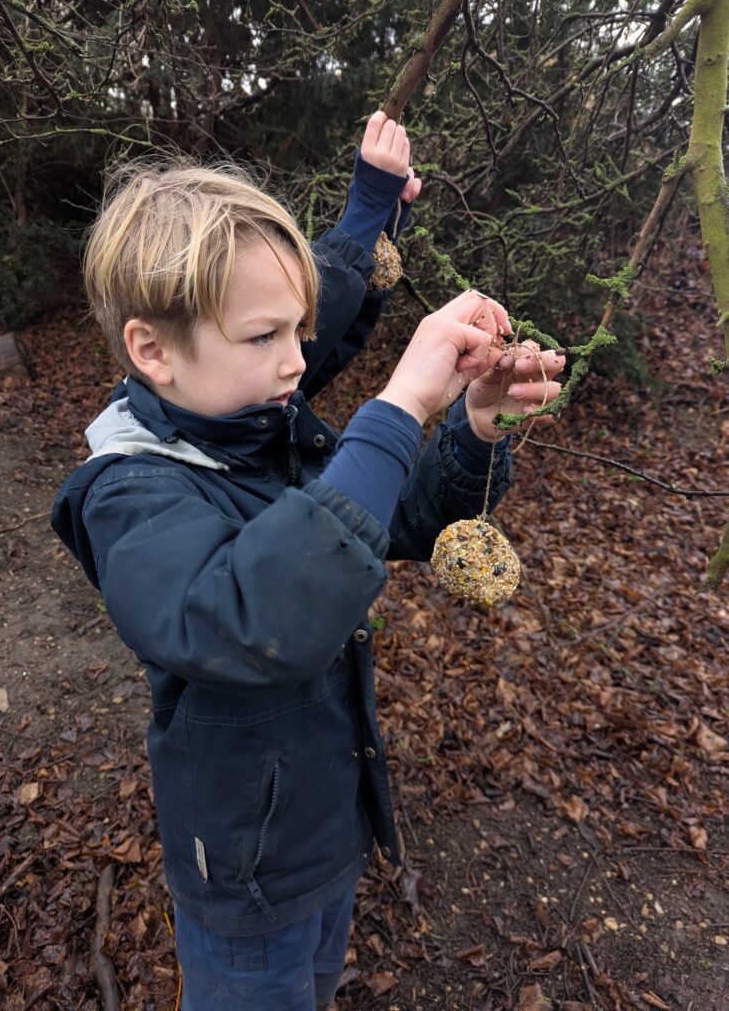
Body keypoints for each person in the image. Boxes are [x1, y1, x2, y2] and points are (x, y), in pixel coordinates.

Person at [52, 111, 564, 1011]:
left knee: (316, 983)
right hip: (241, 881)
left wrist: (473, 428)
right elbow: (256, 619)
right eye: (263, 339)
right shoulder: (125, 497)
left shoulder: (262, 426)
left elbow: (386, 521)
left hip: (324, 828)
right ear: (150, 350)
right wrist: (398, 403)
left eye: (299, 330)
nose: (297, 362)